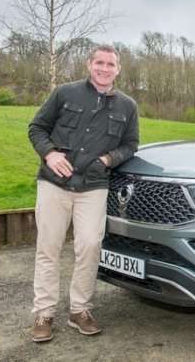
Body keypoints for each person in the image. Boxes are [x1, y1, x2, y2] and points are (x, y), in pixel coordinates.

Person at [28, 45, 139, 342]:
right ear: (89, 65)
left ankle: (79, 311)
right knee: (48, 248)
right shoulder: (65, 93)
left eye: (110, 64)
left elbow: (130, 145)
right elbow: (37, 128)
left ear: (118, 69)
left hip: (93, 186)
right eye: (99, 62)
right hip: (54, 183)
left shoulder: (127, 106)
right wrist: (49, 153)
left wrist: (107, 159)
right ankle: (43, 313)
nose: (104, 68)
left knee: (90, 246)